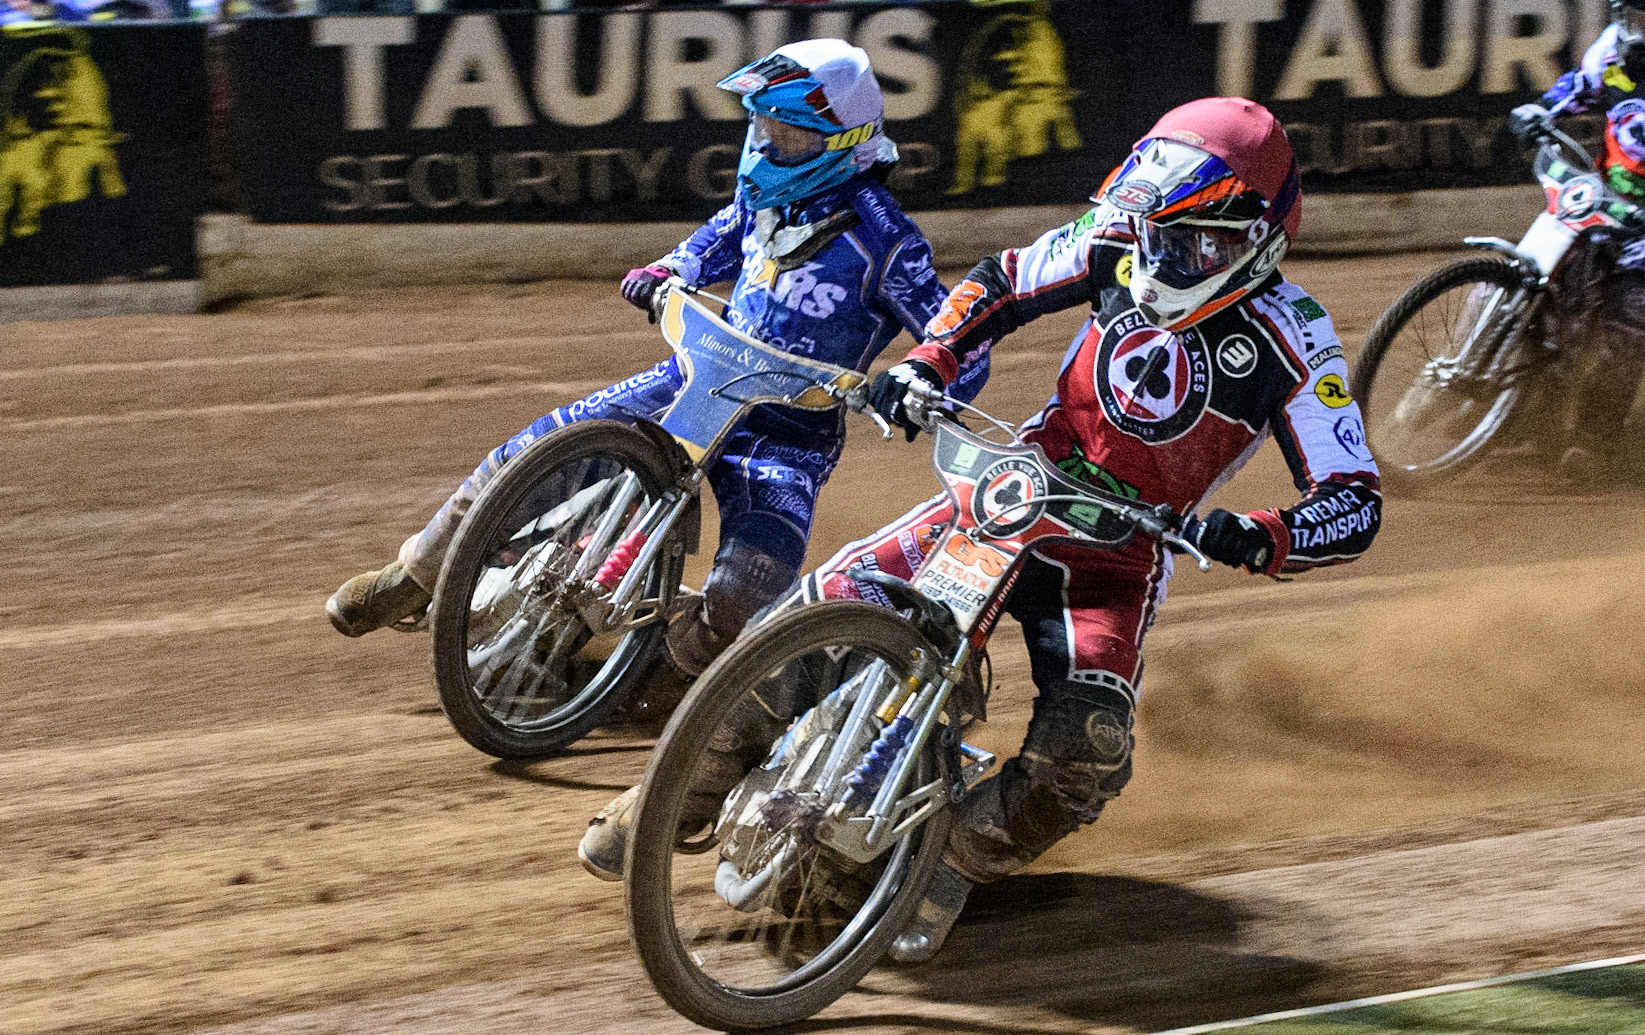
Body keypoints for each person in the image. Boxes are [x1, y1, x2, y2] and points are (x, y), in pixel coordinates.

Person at [579, 98, 1383, 965]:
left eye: (1195, 242)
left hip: (1113, 558)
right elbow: (998, 283)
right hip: (1009, 490)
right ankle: (671, 799)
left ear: (1259, 237)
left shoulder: (1296, 339)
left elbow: (1353, 495)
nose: (1163, 256)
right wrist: (927, 362)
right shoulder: (1114, 238)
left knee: (1089, 753)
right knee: (811, 619)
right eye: (1155, 231)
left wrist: (1258, 534)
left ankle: (951, 865)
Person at [326, 40, 989, 728]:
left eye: (785, 131)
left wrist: (921, 383)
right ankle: (413, 578)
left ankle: (656, 681)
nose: (766, 140)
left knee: (744, 593)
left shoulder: (887, 241)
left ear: (839, 141)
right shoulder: (762, 198)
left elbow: (955, 340)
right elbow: (724, 233)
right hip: (691, 378)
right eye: (760, 123)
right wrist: (671, 268)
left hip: (785, 439)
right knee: (533, 451)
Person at [1507, 0, 1645, 476]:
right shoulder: (1615, 53)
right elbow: (1579, 86)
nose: (1637, 32)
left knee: (1629, 323)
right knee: (1545, 288)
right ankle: (1516, 415)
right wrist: (1541, 108)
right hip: (1610, 200)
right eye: (1632, 19)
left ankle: (1595, 439)